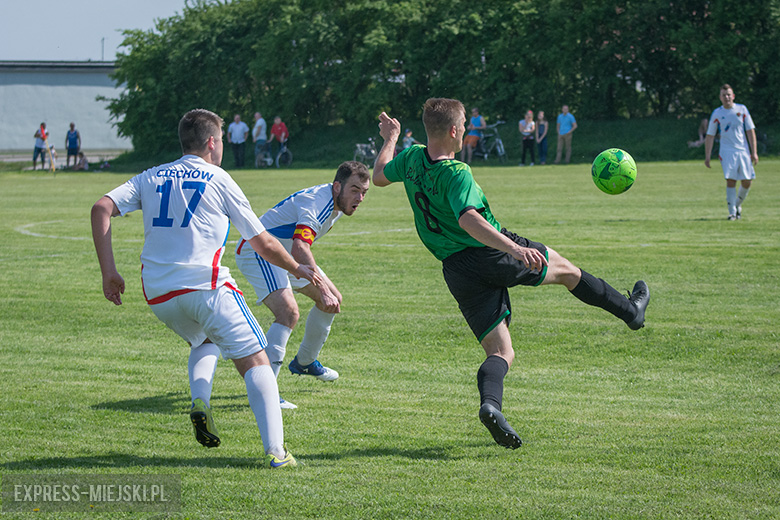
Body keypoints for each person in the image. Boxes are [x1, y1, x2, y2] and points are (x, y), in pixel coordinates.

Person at [372, 98, 649, 449]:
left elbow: (379, 176)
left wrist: (391, 137)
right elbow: (469, 218)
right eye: (465, 127)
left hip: (456, 269)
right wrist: (514, 249)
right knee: (565, 270)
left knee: (500, 351)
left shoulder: (411, 159)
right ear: (455, 131)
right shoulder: (457, 173)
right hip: (490, 253)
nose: (466, 132)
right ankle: (631, 313)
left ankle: (491, 406)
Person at [90, 108, 321, 468]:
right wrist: (296, 267)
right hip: (207, 287)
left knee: (204, 340)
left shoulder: (150, 177)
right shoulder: (218, 178)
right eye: (223, 140)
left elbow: (101, 207)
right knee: (257, 361)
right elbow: (261, 241)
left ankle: (201, 400)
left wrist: (109, 273)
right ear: (213, 142)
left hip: (160, 294)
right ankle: (277, 453)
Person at [236, 161, 370, 409]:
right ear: (337, 186)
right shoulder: (318, 204)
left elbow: (297, 249)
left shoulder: (334, 202)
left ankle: (305, 362)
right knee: (288, 312)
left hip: (285, 255)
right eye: (355, 190)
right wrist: (321, 287)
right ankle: (267, 394)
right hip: (259, 252)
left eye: (364, 192)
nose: (360, 197)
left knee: (332, 301)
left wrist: (325, 291)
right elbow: (300, 247)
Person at [704, 84, 759, 220]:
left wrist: (754, 152)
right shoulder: (717, 113)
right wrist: (707, 156)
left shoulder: (742, 109)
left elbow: (750, 131)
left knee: (747, 181)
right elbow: (710, 135)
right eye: (724, 95)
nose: (727, 97)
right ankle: (732, 213)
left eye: (729, 94)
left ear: (733, 96)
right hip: (727, 151)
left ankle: (737, 205)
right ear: (720, 98)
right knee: (731, 180)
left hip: (743, 150)